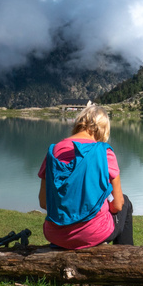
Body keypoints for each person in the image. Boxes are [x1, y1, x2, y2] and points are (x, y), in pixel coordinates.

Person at [37, 102, 133, 249]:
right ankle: (126, 261)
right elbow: (117, 205)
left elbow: (44, 202)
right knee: (125, 202)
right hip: (93, 233)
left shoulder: (54, 151)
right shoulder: (103, 152)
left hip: (56, 234)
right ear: (102, 128)